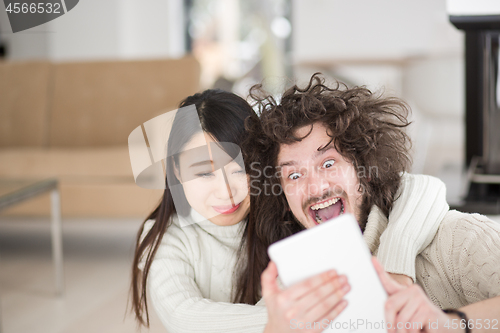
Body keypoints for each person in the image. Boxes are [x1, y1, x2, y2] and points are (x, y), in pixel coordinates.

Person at [130, 89, 449, 333]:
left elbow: (421, 188)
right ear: (175, 170)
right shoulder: (166, 237)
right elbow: (184, 316)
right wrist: (295, 317)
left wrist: (397, 269)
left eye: (240, 169)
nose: (226, 191)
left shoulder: (282, 205)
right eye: (203, 173)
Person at [239, 73, 500, 332]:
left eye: (328, 163)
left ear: (364, 171)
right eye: (294, 175)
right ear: (284, 199)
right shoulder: (289, 301)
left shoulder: (459, 240)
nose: (316, 187)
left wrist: (449, 324)